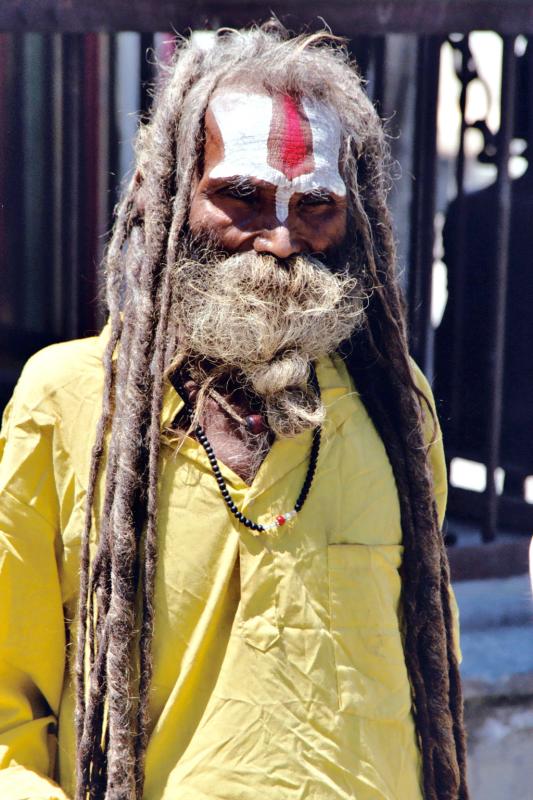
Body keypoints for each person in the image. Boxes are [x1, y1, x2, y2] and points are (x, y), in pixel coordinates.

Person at [0, 23, 468, 800]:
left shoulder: (395, 404)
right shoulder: (67, 398)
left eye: (314, 205)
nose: (281, 239)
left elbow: (426, 660)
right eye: (241, 195)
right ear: (166, 195)